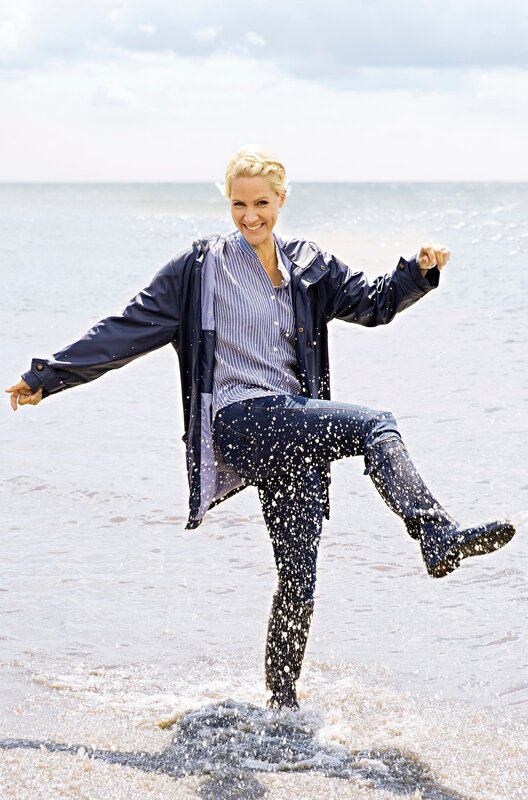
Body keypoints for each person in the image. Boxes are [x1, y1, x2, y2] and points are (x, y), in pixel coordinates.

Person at [6, 145, 517, 711]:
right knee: (377, 425)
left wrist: (418, 273)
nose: (250, 216)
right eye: (239, 204)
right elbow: (125, 330)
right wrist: (49, 376)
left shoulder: (309, 264)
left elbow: (374, 305)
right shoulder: (199, 269)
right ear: (228, 203)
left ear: (281, 200)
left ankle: (281, 706)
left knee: (299, 575)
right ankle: (435, 533)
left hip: (293, 425)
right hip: (241, 418)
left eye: (262, 204)